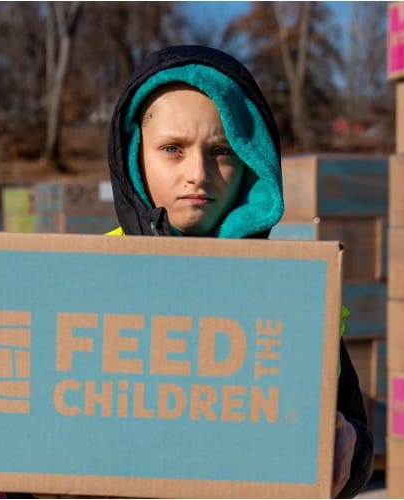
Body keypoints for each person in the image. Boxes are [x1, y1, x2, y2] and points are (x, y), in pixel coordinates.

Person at [104, 44, 374, 498]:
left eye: (221, 151)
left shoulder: (295, 289)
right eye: (172, 149)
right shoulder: (86, 279)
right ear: (137, 156)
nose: (198, 173)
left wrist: (350, 443)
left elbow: (352, 431)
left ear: (250, 159)